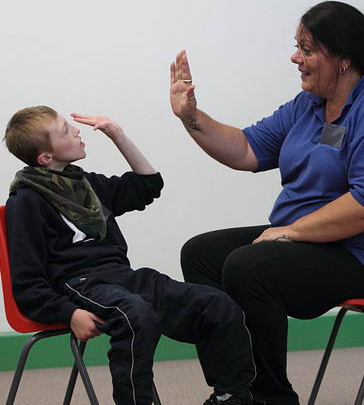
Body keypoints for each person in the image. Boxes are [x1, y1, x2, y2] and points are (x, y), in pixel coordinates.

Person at [170, 0, 364, 405]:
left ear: (344, 58)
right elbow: (246, 149)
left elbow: (362, 204)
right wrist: (191, 116)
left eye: (307, 49)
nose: (295, 58)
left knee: (248, 266)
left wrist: (289, 232)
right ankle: (232, 390)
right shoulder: (307, 106)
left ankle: (269, 397)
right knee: (201, 254)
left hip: (353, 252)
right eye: (297, 46)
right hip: (304, 242)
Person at [4, 105, 257, 405]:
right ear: (45, 157)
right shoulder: (26, 202)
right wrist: (68, 313)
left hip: (121, 277)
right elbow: (27, 284)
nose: (76, 130)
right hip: (79, 284)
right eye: (64, 131)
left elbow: (148, 185)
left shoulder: (86, 185)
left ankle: (232, 398)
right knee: (135, 314)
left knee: (217, 305)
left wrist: (117, 135)